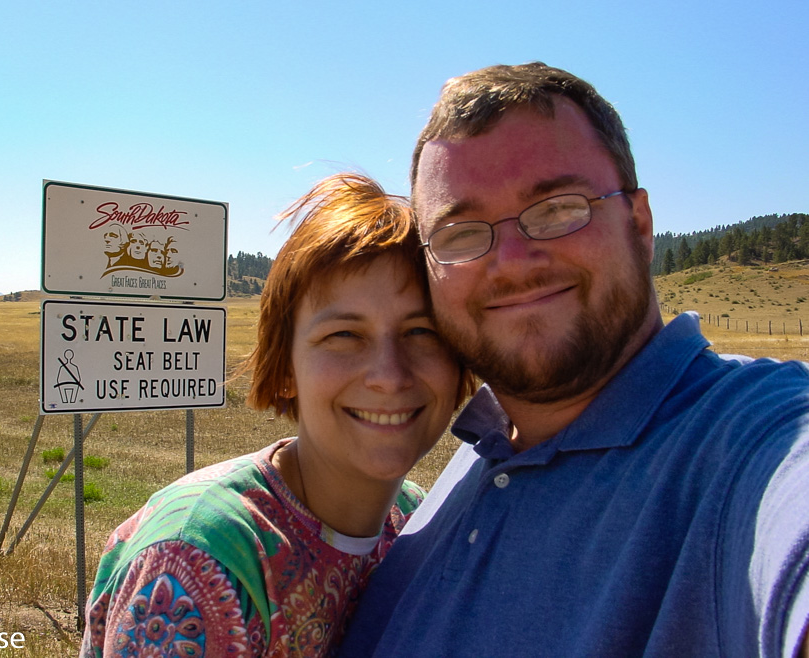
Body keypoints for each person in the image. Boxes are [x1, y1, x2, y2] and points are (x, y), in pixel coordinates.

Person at [338, 63, 809, 658]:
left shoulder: (749, 440)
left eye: (559, 208)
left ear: (639, 226)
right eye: (460, 233)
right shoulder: (474, 460)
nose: (511, 260)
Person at [79, 173, 473, 657]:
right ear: (285, 368)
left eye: (421, 332)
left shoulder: (415, 520)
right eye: (344, 335)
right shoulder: (201, 556)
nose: (389, 375)